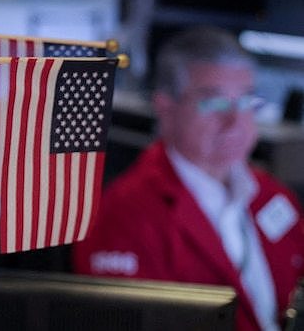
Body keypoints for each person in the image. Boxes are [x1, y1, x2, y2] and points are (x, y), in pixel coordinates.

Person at [71, 26, 304, 331]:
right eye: (215, 103)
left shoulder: (274, 197)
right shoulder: (122, 216)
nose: (235, 122)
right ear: (165, 108)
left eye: (245, 101)